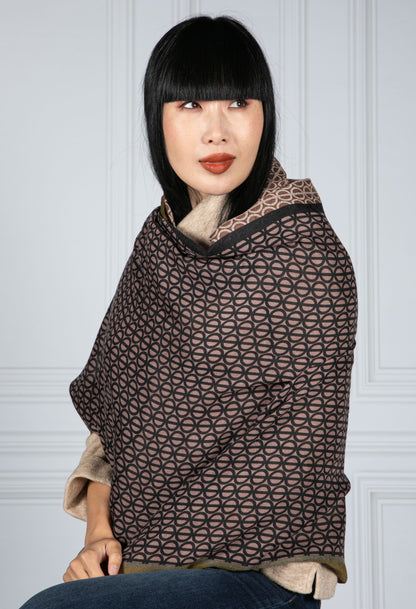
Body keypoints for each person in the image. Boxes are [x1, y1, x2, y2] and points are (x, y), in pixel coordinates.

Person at [20, 15, 357, 609]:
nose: (217, 131)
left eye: (238, 102)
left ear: (265, 117)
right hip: (138, 557)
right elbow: (116, 420)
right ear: (159, 120)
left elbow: (304, 453)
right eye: (191, 105)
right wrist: (98, 533)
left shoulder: (305, 256)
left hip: (261, 573)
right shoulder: (160, 244)